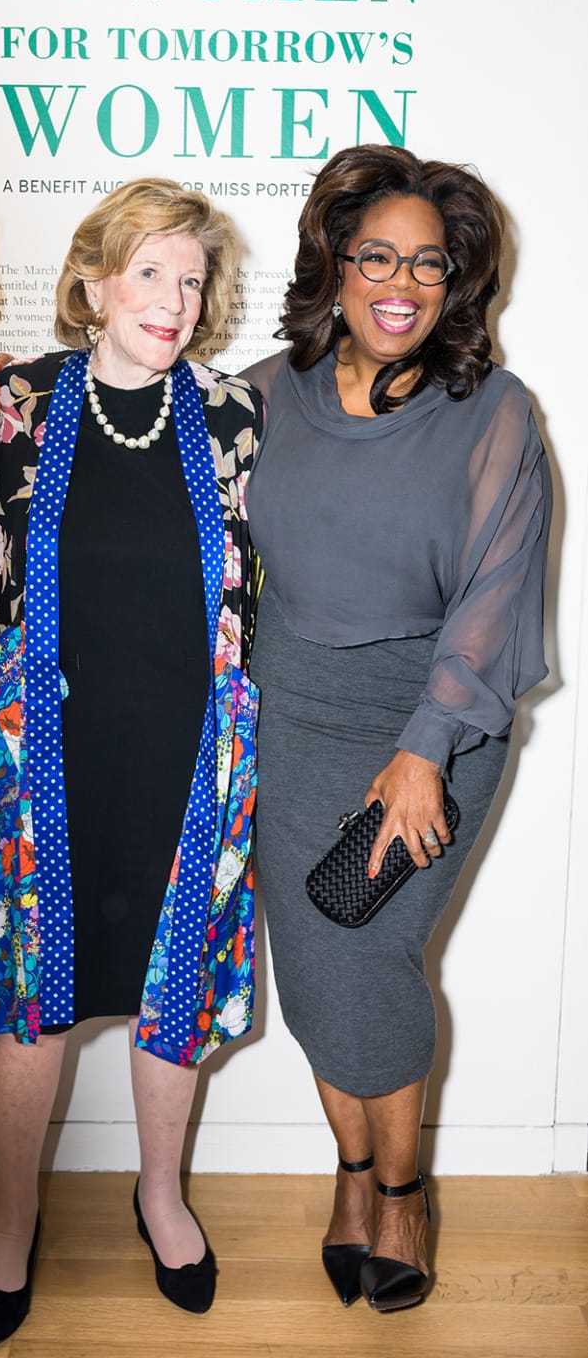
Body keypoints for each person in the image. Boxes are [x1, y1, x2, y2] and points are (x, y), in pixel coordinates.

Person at [242, 144, 550, 1312]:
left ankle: (405, 1191)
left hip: (435, 716)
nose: (402, 282)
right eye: (378, 254)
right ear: (337, 259)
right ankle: (355, 1173)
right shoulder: (269, 393)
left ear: (457, 282)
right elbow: (156, 490)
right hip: (287, 709)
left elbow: (494, 596)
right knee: (315, 957)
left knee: (363, 938)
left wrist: (423, 750)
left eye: (431, 262)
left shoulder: (496, 415)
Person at [0, 177, 263, 1342]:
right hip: (44, 755)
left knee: (168, 979)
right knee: (32, 991)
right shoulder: (16, 403)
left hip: (188, 755)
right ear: (93, 283)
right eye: (150, 272)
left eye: (191, 280)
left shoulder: (235, 414)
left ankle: (159, 1192)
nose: (174, 301)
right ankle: (13, 1208)